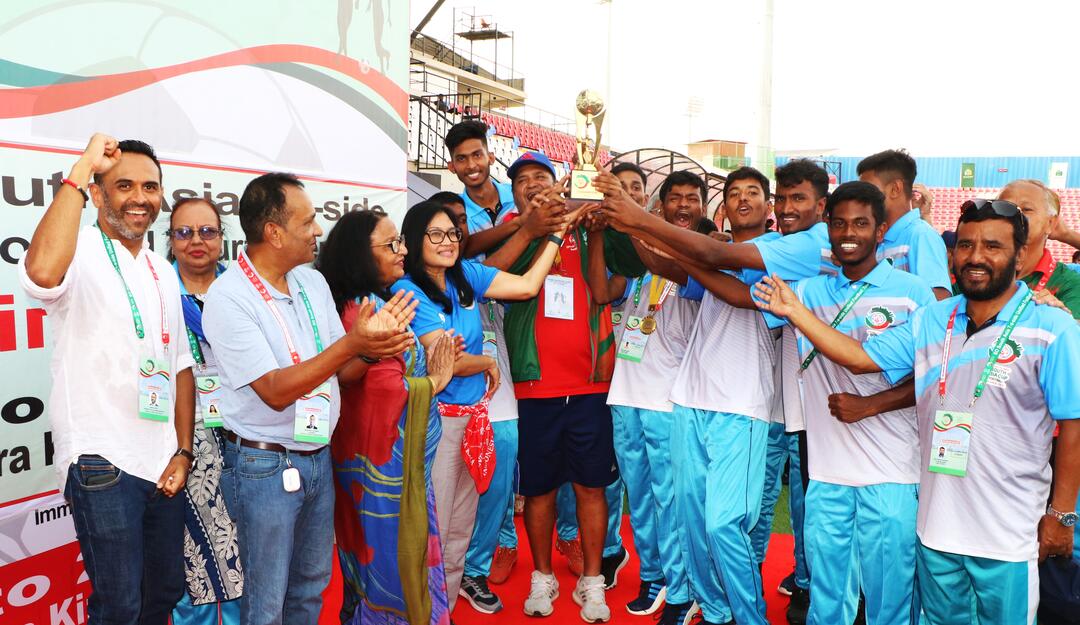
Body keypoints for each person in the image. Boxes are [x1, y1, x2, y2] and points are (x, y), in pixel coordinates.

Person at [753, 199, 1080, 625]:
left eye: (993, 246)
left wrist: (1061, 515)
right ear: (952, 255)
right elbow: (860, 357)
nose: (976, 256)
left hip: (1007, 534)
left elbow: (1073, 424)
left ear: (1019, 257)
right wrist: (795, 311)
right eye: (966, 245)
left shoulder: (1052, 327)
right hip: (936, 529)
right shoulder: (933, 319)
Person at [203, 173, 417, 624]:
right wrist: (353, 344)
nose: (318, 230)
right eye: (307, 222)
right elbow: (275, 391)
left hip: (318, 456)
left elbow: (340, 371)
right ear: (274, 233)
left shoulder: (311, 283)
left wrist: (374, 349)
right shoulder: (229, 297)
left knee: (310, 589)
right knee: (266, 602)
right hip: (264, 466)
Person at [19, 133, 195, 624]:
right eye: (124, 185)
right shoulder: (77, 250)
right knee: (119, 606)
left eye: (150, 187)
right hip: (102, 461)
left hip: (162, 462)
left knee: (162, 593)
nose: (140, 198)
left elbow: (180, 366)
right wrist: (82, 169)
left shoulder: (162, 269)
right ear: (97, 194)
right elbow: (41, 273)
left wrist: (183, 451)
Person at [393, 198, 576, 614]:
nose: (447, 242)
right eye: (435, 234)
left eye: (453, 233)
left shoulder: (466, 276)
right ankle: (419, 613)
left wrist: (555, 235)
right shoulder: (408, 290)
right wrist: (487, 363)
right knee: (434, 528)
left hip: (475, 418)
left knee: (461, 527)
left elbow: (527, 286)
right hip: (436, 423)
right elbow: (446, 361)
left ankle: (443, 611)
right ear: (414, 240)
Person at [765, 182, 934, 625]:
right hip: (828, 472)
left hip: (891, 472)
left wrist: (870, 405)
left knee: (889, 599)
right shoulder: (807, 292)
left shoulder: (913, 292)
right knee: (827, 598)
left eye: (861, 223)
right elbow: (727, 282)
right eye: (839, 223)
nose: (848, 233)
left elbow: (930, 378)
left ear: (881, 231)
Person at [496, 153, 636, 623]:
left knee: (591, 487)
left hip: (591, 384)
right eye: (522, 181)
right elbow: (493, 275)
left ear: (561, 182)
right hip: (535, 386)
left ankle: (592, 581)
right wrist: (535, 227)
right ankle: (543, 576)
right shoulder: (516, 230)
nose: (533, 185)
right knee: (539, 491)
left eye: (542, 177)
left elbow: (624, 270)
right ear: (513, 194)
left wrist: (601, 221)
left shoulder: (589, 226)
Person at [315, 209, 458, 625]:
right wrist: (435, 381)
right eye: (392, 244)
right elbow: (385, 390)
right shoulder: (364, 310)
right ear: (361, 253)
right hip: (382, 470)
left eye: (402, 242)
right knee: (391, 565)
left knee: (369, 560)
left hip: (363, 460)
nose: (403, 251)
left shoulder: (367, 304)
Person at [593, 168, 705, 624]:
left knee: (669, 499)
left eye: (692, 198)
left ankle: (681, 588)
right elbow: (602, 291)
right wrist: (604, 231)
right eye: (675, 197)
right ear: (661, 205)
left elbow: (671, 270)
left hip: (669, 401)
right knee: (638, 498)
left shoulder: (701, 258)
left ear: (702, 207)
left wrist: (633, 221)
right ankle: (653, 575)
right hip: (626, 395)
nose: (683, 205)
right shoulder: (638, 263)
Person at [167, 197, 242, 624]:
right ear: (170, 240)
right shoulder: (158, 292)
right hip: (181, 443)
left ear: (221, 238)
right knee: (192, 562)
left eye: (207, 231)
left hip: (243, 436)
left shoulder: (243, 290)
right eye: (184, 232)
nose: (196, 240)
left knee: (245, 554)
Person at [855, 149, 952, 300]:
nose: (862, 199)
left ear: (895, 189)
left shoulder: (921, 236)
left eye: (869, 190)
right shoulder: (879, 238)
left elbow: (939, 300)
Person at [999, 179, 1080, 317]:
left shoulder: (1069, 282)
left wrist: (1059, 319)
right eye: (1004, 208)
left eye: (1026, 209)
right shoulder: (976, 270)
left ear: (1051, 222)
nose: (1012, 215)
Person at [444, 120, 517, 258]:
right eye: (461, 159)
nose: (471, 165)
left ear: (491, 157)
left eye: (477, 155)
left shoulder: (517, 194)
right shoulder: (453, 214)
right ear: (452, 167)